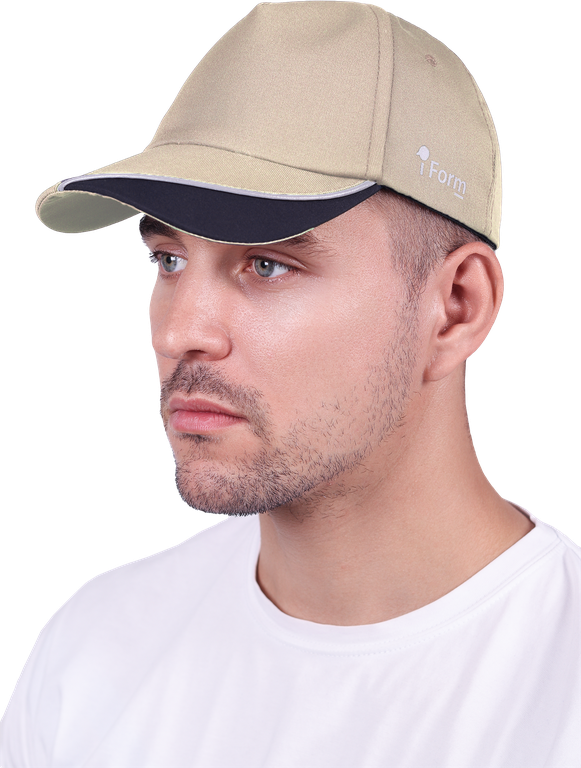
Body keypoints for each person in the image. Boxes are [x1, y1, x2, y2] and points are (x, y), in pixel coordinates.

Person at [3, 2, 580, 766]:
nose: (181, 333)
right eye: (168, 260)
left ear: (454, 308)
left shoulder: (562, 684)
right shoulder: (93, 653)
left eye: (267, 264)